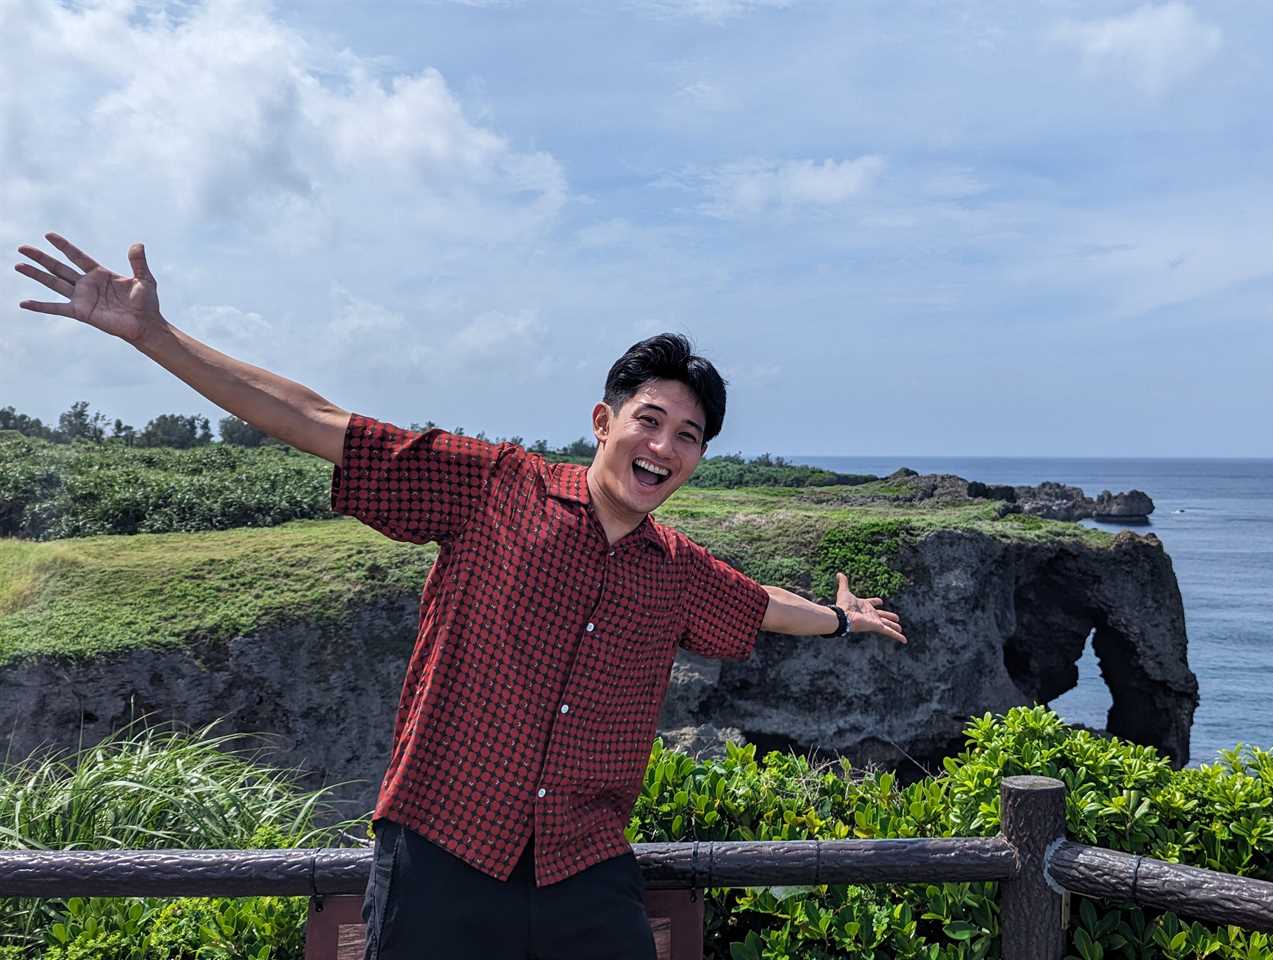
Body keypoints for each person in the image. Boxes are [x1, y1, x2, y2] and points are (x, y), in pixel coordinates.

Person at [15, 234, 908, 960]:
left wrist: (841, 618)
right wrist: (157, 339)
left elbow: (755, 604)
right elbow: (318, 420)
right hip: (445, 852)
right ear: (604, 423)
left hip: (584, 870)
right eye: (650, 419)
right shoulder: (491, 488)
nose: (664, 448)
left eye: (689, 436)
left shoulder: (675, 568)